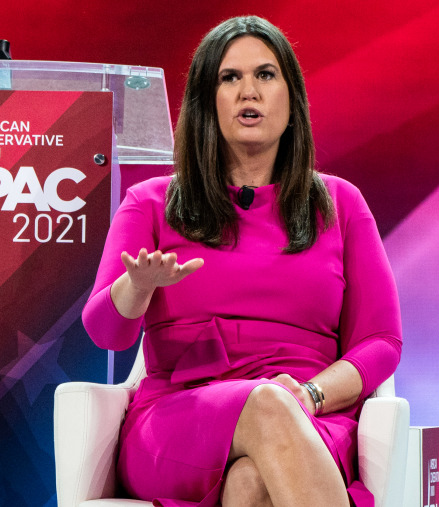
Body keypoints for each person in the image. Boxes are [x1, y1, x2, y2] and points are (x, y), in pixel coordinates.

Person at [82, 15, 402, 507]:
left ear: (292, 101)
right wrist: (138, 286)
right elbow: (106, 331)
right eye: (229, 77)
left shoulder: (339, 204)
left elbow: (380, 342)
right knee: (266, 405)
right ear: (206, 103)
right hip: (177, 420)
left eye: (265, 75)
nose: (247, 90)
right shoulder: (150, 202)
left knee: (252, 482)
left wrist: (311, 396)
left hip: (309, 417)